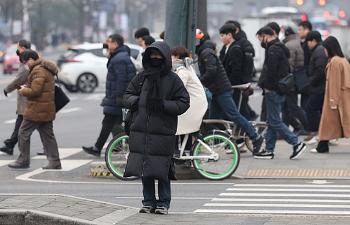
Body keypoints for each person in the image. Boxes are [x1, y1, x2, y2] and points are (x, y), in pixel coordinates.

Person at [123, 41, 190, 214]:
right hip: (141, 131)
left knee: (162, 170)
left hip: (163, 132)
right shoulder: (141, 77)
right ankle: (148, 202)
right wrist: (137, 101)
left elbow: (183, 102)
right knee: (145, 169)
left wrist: (163, 105)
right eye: (152, 55)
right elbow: (127, 95)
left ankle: (163, 203)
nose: (155, 59)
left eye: (159, 56)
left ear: (165, 58)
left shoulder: (173, 79)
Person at [195, 36, 263, 155]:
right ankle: (226, 139)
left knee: (234, 115)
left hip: (221, 90)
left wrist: (199, 81)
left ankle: (255, 137)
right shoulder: (205, 52)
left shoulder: (206, 53)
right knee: (212, 120)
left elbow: (211, 71)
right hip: (216, 90)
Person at [254, 26, 306, 160]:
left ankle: (296, 142)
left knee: (275, 121)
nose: (261, 41)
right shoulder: (280, 47)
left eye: (260, 38)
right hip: (281, 88)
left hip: (274, 89)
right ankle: (269, 150)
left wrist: (267, 86)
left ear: (266, 35)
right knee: (272, 121)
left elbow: (271, 72)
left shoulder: (273, 50)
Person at [83, 34, 136, 157]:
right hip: (116, 97)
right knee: (114, 123)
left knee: (109, 122)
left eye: (109, 42)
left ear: (116, 44)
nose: (107, 44)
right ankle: (114, 146)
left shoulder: (119, 58)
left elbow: (121, 80)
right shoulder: (118, 56)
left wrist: (118, 97)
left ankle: (98, 148)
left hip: (116, 98)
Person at [8, 50, 61, 169]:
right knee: (48, 135)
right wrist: (28, 86)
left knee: (23, 133)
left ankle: (23, 160)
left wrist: (23, 90)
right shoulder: (44, 68)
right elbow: (39, 87)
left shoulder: (38, 70)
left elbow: (35, 91)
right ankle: (54, 161)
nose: (26, 65)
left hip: (37, 108)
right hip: (45, 108)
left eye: (26, 62)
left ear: (31, 59)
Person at [311, 36, 350, 153]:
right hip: (343, 97)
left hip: (335, 98)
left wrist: (333, 101)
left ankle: (322, 146)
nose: (324, 51)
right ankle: (322, 145)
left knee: (327, 123)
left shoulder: (334, 61)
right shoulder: (343, 60)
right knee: (334, 123)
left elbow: (334, 82)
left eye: (325, 48)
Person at [171, 46, 207, 151]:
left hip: (194, 105)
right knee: (185, 127)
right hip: (195, 103)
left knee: (173, 123)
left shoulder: (182, 70)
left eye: (171, 56)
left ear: (177, 57)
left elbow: (177, 88)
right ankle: (185, 152)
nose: (170, 59)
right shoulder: (187, 66)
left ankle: (176, 152)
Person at [219, 23, 255, 121]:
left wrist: (230, 84)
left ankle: (249, 132)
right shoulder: (229, 47)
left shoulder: (235, 48)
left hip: (235, 87)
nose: (221, 38)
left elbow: (236, 70)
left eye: (222, 36)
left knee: (237, 112)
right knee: (239, 111)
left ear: (230, 35)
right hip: (234, 86)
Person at [0, 40, 31, 155]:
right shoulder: (27, 59)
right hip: (26, 98)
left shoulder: (26, 63)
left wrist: (7, 89)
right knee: (23, 123)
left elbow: (18, 80)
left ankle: (18, 151)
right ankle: (10, 144)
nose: (17, 50)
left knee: (39, 126)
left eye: (19, 48)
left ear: (23, 48)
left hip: (27, 98)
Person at [282, 27, 308, 135]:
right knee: (287, 106)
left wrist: (285, 78)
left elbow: (289, 64)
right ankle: (288, 129)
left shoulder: (289, 45)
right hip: (296, 78)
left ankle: (307, 126)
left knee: (292, 106)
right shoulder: (297, 42)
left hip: (291, 80)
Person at [303, 31, 328, 144]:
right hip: (319, 87)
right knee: (319, 110)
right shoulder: (318, 50)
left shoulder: (319, 51)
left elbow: (320, 70)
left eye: (308, 41)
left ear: (313, 40)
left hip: (319, 87)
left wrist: (311, 82)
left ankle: (316, 132)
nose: (307, 44)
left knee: (310, 108)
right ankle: (322, 134)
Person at [298, 21, 313, 112]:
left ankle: (307, 125)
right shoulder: (305, 44)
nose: (298, 32)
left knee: (306, 106)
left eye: (300, 29)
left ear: (307, 30)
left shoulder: (308, 45)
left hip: (308, 79)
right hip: (307, 79)